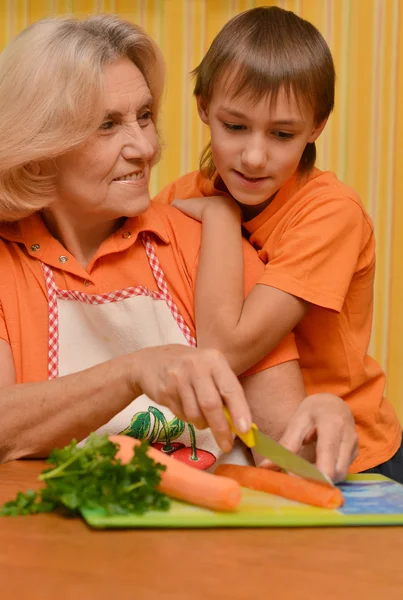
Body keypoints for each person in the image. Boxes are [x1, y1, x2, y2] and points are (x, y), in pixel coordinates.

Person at [154, 6, 403, 482]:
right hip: (242, 452)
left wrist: (223, 217)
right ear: (204, 106)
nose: (253, 156)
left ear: (316, 126)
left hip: (349, 457)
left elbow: (227, 349)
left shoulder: (331, 213)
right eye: (235, 126)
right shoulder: (181, 196)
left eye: (282, 134)